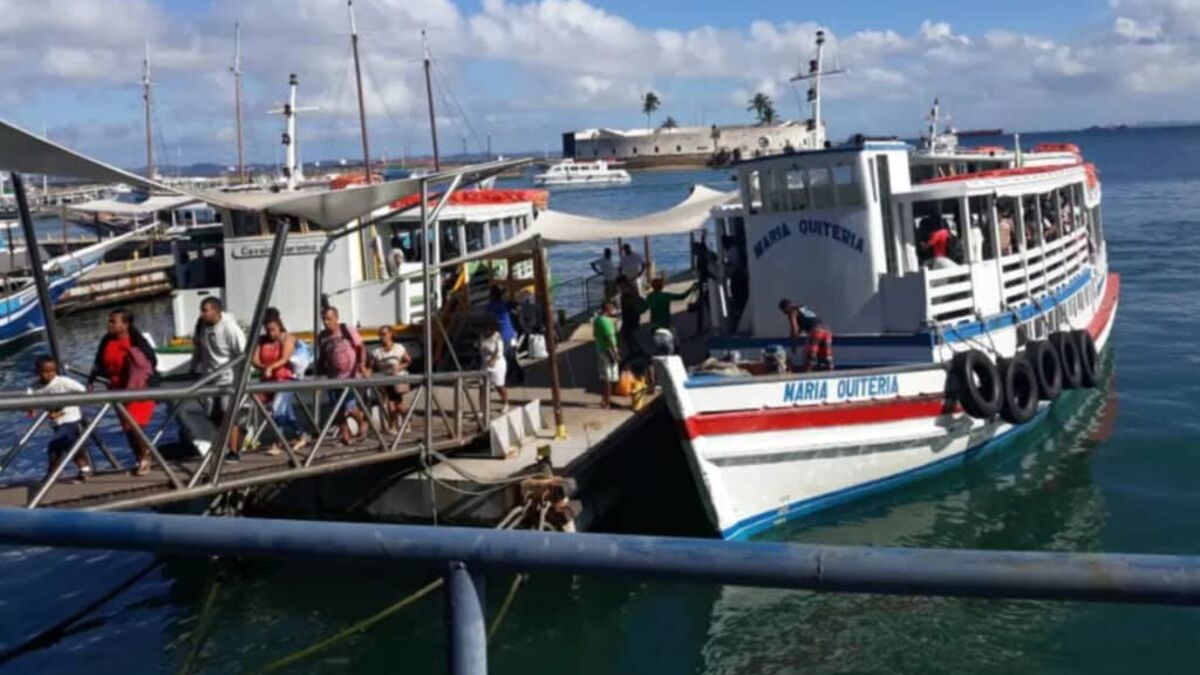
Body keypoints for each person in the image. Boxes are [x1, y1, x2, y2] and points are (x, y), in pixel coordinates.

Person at [89, 309, 157, 476]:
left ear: (125, 324)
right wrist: (92, 378)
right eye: (109, 321)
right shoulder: (107, 340)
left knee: (135, 426)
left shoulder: (135, 341)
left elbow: (150, 363)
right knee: (127, 428)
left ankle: (146, 460)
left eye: (113, 321)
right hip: (117, 389)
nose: (109, 324)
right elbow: (99, 362)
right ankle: (139, 460)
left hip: (138, 389)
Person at [191, 296, 248, 460]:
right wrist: (193, 367)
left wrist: (243, 377)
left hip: (228, 378)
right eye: (201, 311)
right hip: (209, 377)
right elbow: (200, 349)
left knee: (227, 413)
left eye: (205, 311)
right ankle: (238, 433)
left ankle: (233, 451)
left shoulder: (230, 328)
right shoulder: (202, 327)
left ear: (216, 311)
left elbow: (243, 352)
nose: (202, 314)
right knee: (211, 414)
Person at [29, 355, 91, 481]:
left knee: (55, 444)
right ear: (37, 372)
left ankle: (52, 473)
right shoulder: (35, 386)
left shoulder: (62, 382)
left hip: (71, 418)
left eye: (53, 371)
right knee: (70, 445)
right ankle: (84, 468)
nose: (50, 374)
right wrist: (31, 408)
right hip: (55, 420)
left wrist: (72, 400)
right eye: (45, 372)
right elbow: (28, 398)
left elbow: (82, 389)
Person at [252, 311, 305, 455]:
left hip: (285, 379)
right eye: (268, 330)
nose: (271, 333)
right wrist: (264, 367)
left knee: (277, 409)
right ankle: (302, 434)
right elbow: (255, 359)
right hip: (268, 380)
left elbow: (285, 358)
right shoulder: (261, 340)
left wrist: (271, 367)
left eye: (273, 330)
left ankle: (277, 443)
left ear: (279, 326)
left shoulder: (287, 338)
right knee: (286, 413)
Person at [316, 305, 370, 445]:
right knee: (337, 409)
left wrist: (362, 365)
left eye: (329, 319)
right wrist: (319, 376)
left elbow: (361, 347)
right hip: (333, 377)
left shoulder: (346, 330)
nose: (326, 322)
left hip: (350, 375)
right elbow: (322, 356)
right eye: (324, 319)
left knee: (349, 406)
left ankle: (362, 423)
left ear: (336, 318)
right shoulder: (322, 336)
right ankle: (345, 434)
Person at [370, 325, 412, 431]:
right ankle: (403, 420)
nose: (382, 337)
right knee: (395, 404)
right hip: (386, 380)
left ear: (390, 334)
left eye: (384, 334)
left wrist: (399, 367)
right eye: (380, 335)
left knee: (392, 404)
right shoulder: (376, 352)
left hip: (398, 380)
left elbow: (408, 360)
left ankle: (393, 426)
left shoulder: (398, 348)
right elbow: (371, 367)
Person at [778, 299, 834, 372]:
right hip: (826, 331)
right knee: (826, 357)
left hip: (816, 331)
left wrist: (793, 343)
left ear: (785, 308)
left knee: (810, 357)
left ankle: (807, 372)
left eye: (783, 311)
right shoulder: (803, 308)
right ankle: (830, 372)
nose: (784, 313)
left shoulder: (792, 311)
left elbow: (794, 329)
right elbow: (804, 324)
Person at [485, 286, 524, 384]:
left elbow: (489, 316)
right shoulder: (503, 304)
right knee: (510, 356)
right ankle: (518, 375)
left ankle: (509, 377)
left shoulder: (492, 305)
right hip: (510, 333)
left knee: (506, 357)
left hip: (503, 334)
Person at [593, 301, 620, 409]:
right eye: (613, 309)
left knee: (603, 375)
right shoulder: (607, 322)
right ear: (608, 310)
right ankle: (607, 401)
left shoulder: (597, 320)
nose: (614, 311)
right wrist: (615, 352)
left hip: (600, 349)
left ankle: (604, 398)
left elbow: (595, 334)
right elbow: (610, 338)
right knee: (609, 377)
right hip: (608, 351)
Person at [478, 320, 508, 411]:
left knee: (499, 385)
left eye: (489, 329)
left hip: (497, 364)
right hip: (485, 364)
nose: (487, 331)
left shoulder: (497, 336)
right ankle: (482, 409)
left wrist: (493, 360)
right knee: (482, 386)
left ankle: (506, 403)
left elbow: (499, 351)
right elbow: (481, 349)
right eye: (485, 329)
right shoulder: (482, 336)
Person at [618, 278, 647, 362]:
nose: (620, 289)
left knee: (628, 335)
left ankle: (636, 352)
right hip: (630, 318)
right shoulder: (630, 292)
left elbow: (629, 306)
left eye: (620, 286)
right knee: (629, 335)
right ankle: (637, 351)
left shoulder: (627, 296)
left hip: (630, 318)